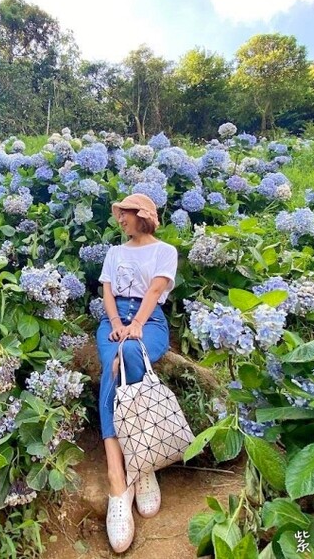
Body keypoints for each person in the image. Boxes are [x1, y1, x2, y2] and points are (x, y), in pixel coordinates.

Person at [96, 193, 178, 553]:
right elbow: (108, 293)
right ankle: (120, 481)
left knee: (129, 350)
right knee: (113, 358)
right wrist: (116, 323)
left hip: (151, 320)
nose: (121, 220)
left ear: (141, 215)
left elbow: (156, 290)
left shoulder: (165, 251)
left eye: (125, 214)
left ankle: (142, 468)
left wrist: (137, 324)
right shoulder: (114, 253)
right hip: (113, 322)